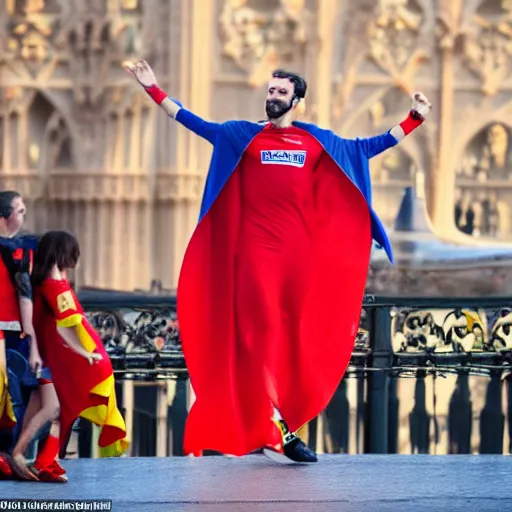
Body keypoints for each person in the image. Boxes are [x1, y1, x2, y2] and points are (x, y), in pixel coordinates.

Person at [124, 59, 432, 463]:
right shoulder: (243, 136)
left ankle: (280, 425)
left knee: (295, 340)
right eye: (270, 91)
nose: (273, 97)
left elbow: (365, 148)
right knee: (260, 335)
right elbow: (193, 122)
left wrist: (413, 120)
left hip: (300, 260)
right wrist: (154, 89)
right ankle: (274, 428)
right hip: (255, 256)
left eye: (281, 93)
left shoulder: (316, 142)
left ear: (297, 100)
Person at [6, 230, 129, 480]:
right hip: (49, 359)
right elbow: (66, 327)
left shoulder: (45, 282)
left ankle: (43, 461)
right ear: (63, 253)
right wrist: (85, 352)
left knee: (50, 411)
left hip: (42, 354)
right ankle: (19, 454)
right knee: (54, 409)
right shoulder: (54, 287)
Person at [0, 191, 42, 478]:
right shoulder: (18, 251)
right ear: (4, 217)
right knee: (17, 400)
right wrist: (33, 337)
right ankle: (15, 458)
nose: (23, 215)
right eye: (20, 210)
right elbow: (25, 295)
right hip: (13, 334)